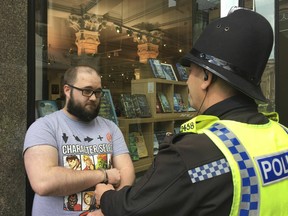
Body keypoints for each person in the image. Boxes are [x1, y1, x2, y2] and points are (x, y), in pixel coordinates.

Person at [89, 7, 288, 216]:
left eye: (190, 70)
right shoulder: (282, 134)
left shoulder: (193, 152)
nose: (186, 80)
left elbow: (132, 209)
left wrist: (105, 196)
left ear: (205, 78)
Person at [23, 65, 135, 215]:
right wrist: (104, 175)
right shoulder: (44, 127)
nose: (94, 97)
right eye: (87, 91)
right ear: (67, 90)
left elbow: (127, 173)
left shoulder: (110, 128)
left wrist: (107, 211)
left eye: (97, 92)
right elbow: (43, 182)